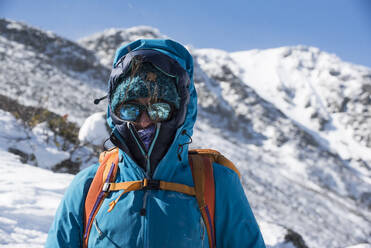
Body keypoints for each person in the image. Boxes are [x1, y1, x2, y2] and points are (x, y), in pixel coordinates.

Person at [46, 39, 266, 247]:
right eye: (130, 109)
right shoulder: (88, 186)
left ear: (180, 112)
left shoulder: (217, 184)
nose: (144, 121)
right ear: (115, 112)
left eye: (159, 109)